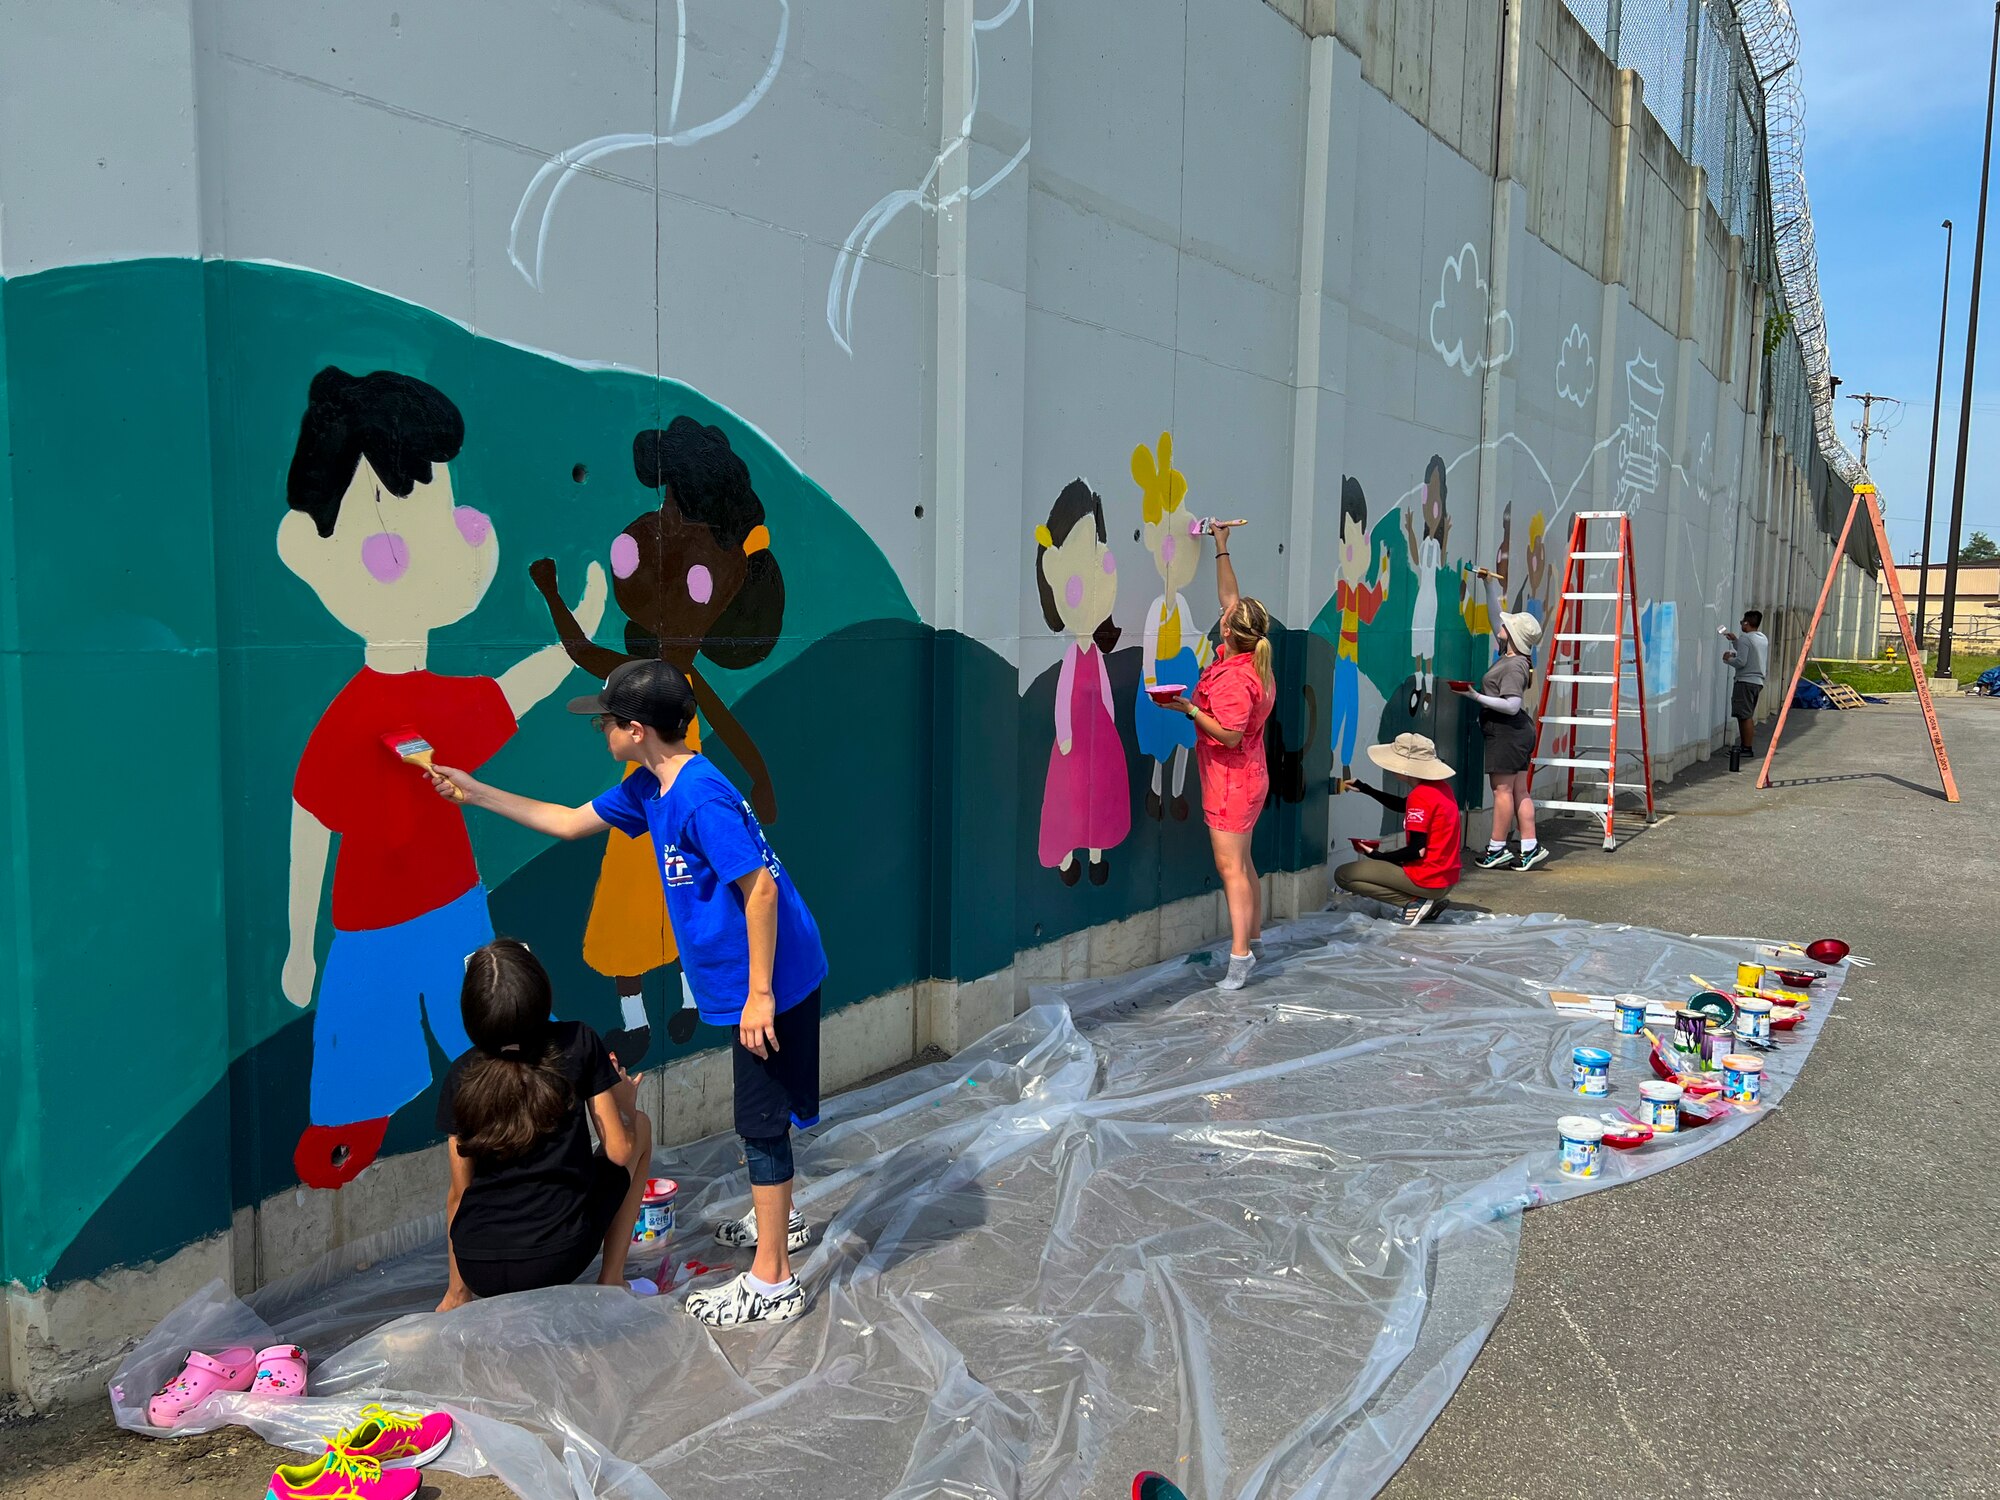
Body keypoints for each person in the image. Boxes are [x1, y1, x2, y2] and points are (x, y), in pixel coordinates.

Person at [428, 659, 828, 1328]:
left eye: (606, 723)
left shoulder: (697, 795)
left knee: (759, 1118)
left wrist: (760, 995)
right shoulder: (650, 786)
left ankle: (772, 1279)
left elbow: (758, 888)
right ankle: (773, 1225)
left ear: (636, 730)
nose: (602, 733)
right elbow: (564, 822)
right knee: (764, 1111)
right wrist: (474, 791)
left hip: (772, 977)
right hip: (754, 974)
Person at [435, 939, 652, 1310]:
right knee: (642, 1128)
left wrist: (457, 1291)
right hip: (557, 1257)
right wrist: (627, 1107)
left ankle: (456, 1296)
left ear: (473, 1013)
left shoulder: (461, 1074)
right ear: (542, 994)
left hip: (479, 1266)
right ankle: (612, 1280)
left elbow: (460, 1193)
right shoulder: (578, 1041)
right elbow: (619, 1151)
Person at [1164, 524, 1276, 992]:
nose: (1222, 614)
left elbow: (1229, 734)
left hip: (1232, 783)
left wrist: (1189, 708)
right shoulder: (1255, 660)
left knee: (1231, 870)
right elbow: (1231, 595)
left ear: (1229, 631)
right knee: (1244, 862)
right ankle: (1253, 938)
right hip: (1249, 779)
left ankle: (1240, 958)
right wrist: (1220, 545)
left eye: (1225, 616)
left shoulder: (1233, 680)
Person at [1455, 567, 1548, 871]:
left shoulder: (1513, 667)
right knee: (1519, 790)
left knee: (1503, 791)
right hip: (1517, 733)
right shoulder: (1515, 656)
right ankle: (1530, 846)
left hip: (1507, 731)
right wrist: (1488, 586)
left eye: (1506, 627)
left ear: (1512, 637)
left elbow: (1511, 705)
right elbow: (1497, 618)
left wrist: (1475, 696)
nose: (1500, 627)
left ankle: (1497, 848)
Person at [1333, 733, 1462, 925]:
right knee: (1388, 860)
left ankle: (1413, 902)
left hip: (1428, 880)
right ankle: (1424, 902)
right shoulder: (1440, 788)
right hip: (1445, 879)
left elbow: (1417, 851)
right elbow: (1404, 805)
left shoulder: (1420, 796)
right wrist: (1366, 788)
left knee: (1343, 875)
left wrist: (1379, 856)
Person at [1722, 610, 1769, 754]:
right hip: (1757, 681)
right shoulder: (1762, 638)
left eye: (1742, 621)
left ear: (1747, 623)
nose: (1741, 623)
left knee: (1744, 716)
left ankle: (1746, 747)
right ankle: (1745, 746)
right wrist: (1735, 641)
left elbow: (1741, 661)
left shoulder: (1745, 639)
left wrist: (1727, 659)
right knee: (1746, 713)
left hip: (1745, 681)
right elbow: (1750, 652)